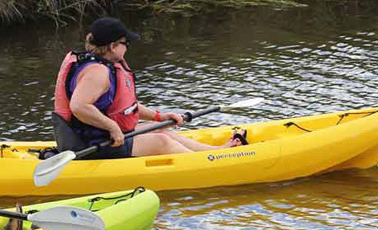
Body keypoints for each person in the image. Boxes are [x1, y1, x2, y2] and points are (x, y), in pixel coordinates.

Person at [53, 17, 246, 159]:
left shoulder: (105, 65)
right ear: (112, 46)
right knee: (161, 143)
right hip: (92, 145)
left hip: (102, 137)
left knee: (160, 130)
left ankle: (218, 153)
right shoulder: (97, 72)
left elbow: (125, 107)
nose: (127, 47)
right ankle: (212, 165)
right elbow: (79, 106)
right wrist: (112, 127)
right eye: (125, 43)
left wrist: (159, 117)